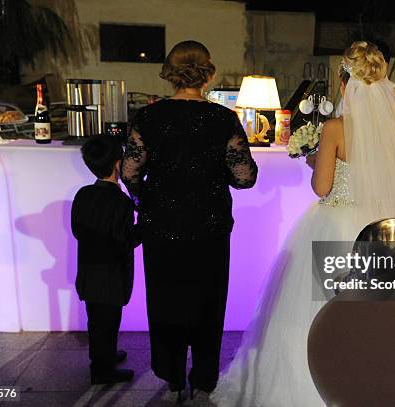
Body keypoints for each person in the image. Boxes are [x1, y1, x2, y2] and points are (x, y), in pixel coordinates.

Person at [211, 41, 395, 406]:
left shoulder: (337, 127)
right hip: (375, 229)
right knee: (363, 317)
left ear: (343, 82)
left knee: (309, 316)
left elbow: (321, 187)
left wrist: (316, 162)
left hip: (334, 225)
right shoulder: (392, 126)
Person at [121, 40, 258, 404]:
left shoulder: (149, 117)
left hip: (161, 223)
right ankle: (203, 381)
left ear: (169, 72)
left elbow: (130, 170)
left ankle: (172, 379)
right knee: (208, 304)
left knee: (165, 303)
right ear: (207, 73)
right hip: (209, 225)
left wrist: (142, 197)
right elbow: (245, 177)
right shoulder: (222, 118)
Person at [71, 135, 139, 385]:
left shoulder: (83, 195)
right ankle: (102, 370)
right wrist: (143, 228)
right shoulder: (121, 202)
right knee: (108, 323)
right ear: (118, 164)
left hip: (89, 273)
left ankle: (103, 356)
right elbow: (125, 240)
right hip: (111, 276)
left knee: (97, 321)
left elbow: (79, 231)